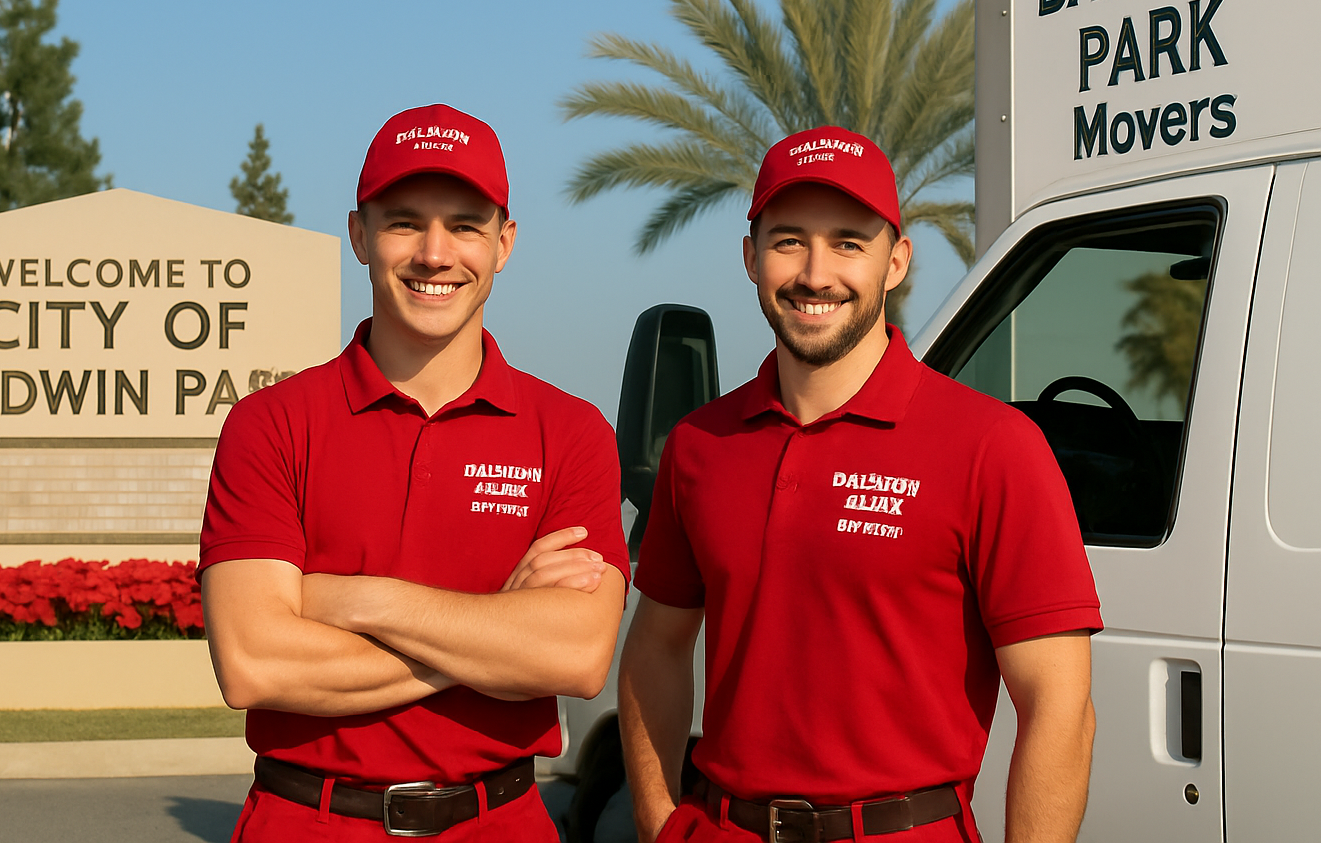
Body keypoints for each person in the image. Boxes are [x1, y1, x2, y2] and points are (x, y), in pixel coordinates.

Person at [618, 127, 1101, 843]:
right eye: (788, 241)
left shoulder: (992, 447)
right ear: (750, 256)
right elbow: (655, 645)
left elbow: (1059, 703)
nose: (816, 273)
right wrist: (662, 823)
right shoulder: (700, 446)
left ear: (896, 260)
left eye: (849, 242)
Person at [199, 103, 628, 841]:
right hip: (307, 822)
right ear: (359, 235)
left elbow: (577, 657)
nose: (435, 253)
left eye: (465, 224)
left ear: (505, 242)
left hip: (501, 824)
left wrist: (353, 600)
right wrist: (497, 626)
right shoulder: (270, 424)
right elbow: (254, 663)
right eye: (404, 222)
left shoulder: (572, 432)